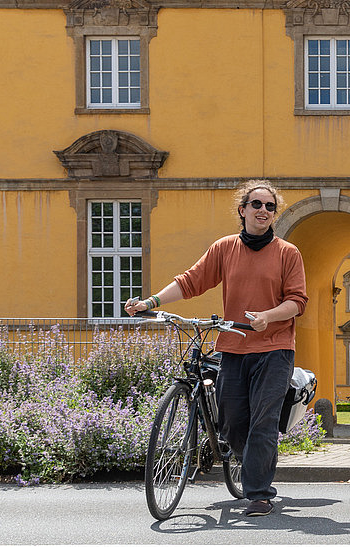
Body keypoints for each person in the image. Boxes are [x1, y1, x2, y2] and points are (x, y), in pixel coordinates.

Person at [124, 180, 308, 518]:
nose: (263, 211)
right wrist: (150, 301)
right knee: (233, 423)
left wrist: (268, 317)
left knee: (263, 422)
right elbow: (190, 281)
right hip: (233, 347)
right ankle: (252, 459)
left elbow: (297, 301)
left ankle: (259, 493)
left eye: (270, 206)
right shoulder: (225, 248)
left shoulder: (287, 252)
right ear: (243, 210)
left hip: (274, 348)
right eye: (256, 205)